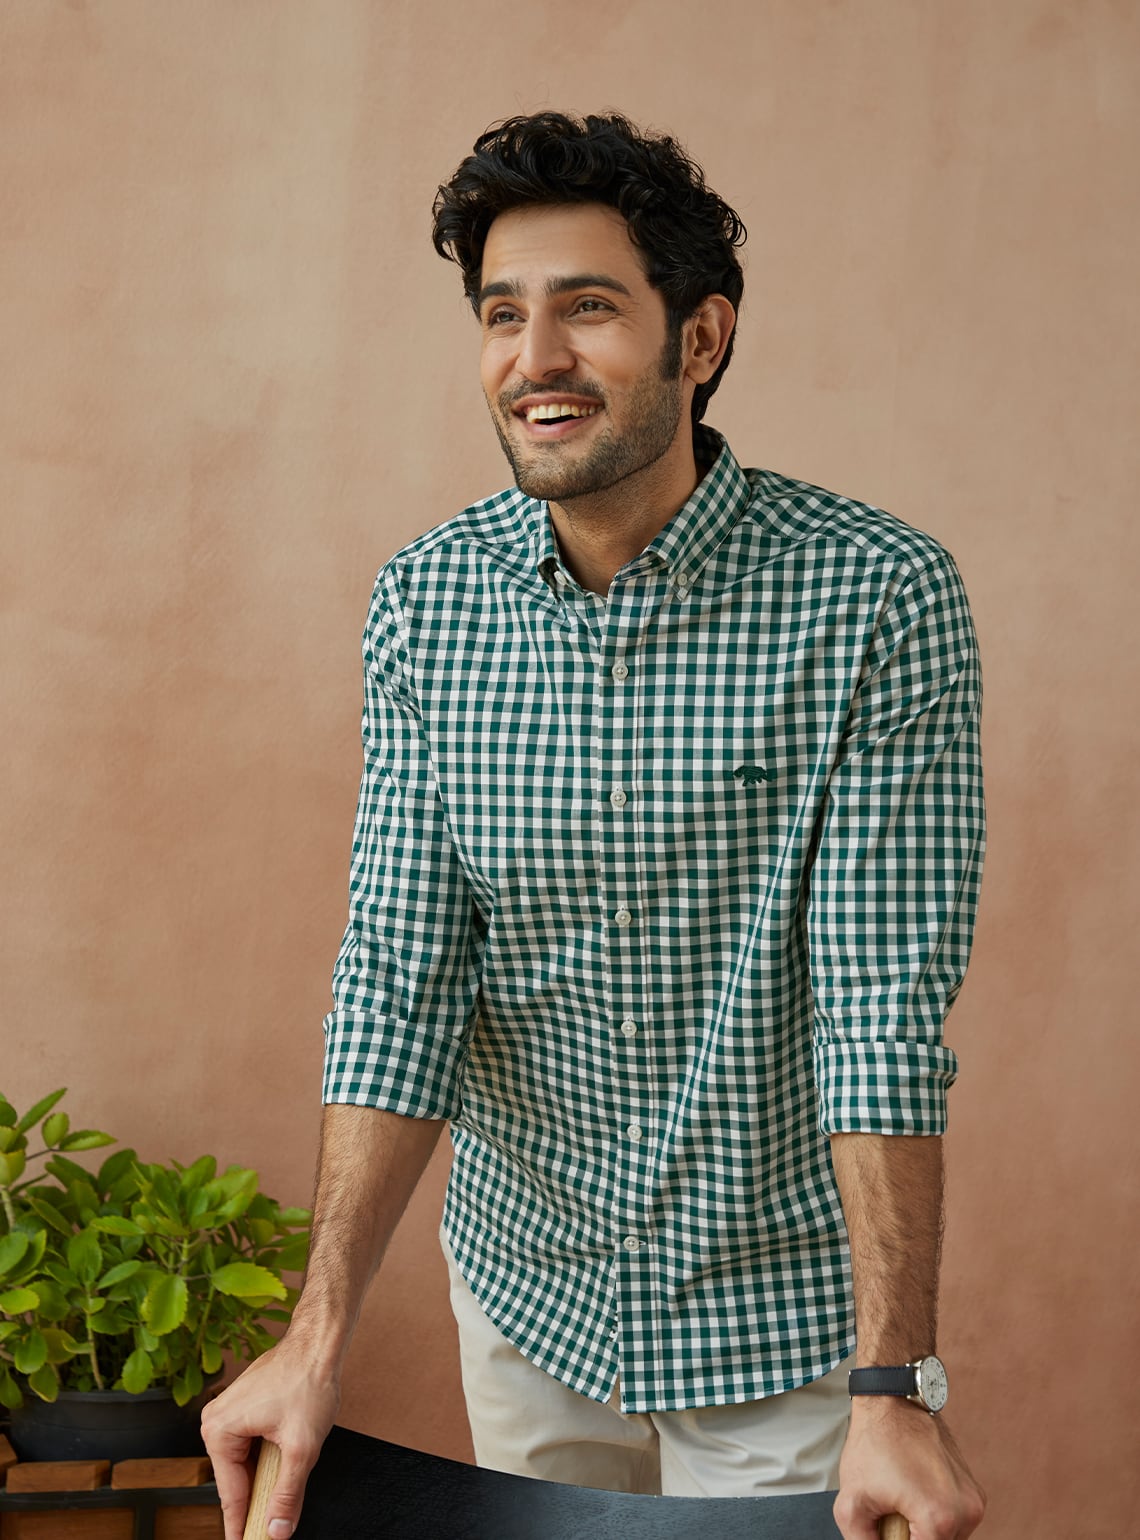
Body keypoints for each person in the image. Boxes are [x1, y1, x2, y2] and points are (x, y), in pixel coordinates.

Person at [201, 111, 987, 1540]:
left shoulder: (876, 597)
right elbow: (402, 978)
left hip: (780, 1327)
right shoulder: (427, 602)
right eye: (503, 314)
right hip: (529, 1299)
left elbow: (878, 1010)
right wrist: (315, 1337)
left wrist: (893, 1387)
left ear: (701, 338)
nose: (536, 357)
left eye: (589, 308)